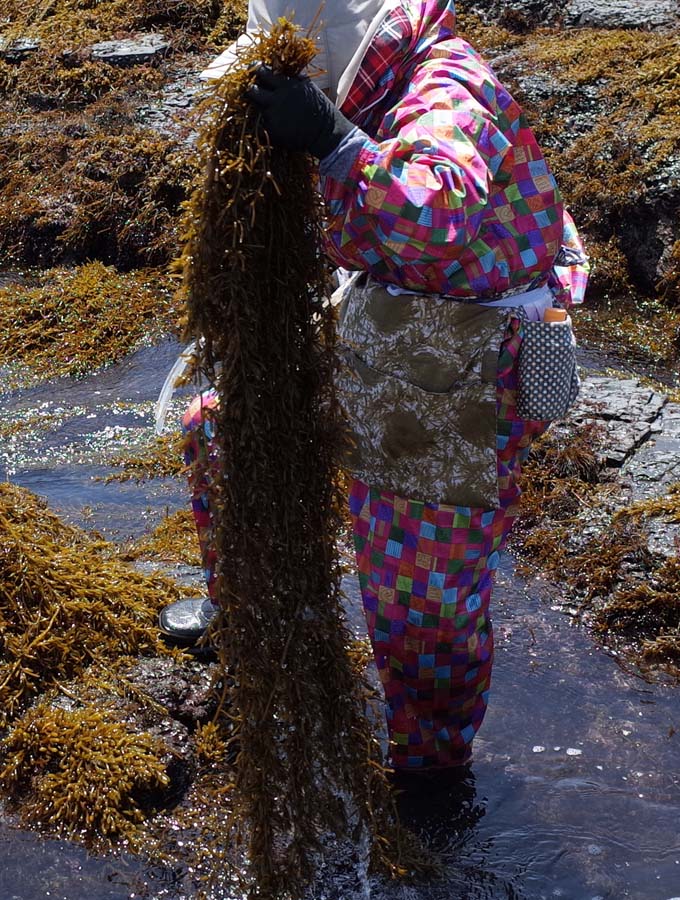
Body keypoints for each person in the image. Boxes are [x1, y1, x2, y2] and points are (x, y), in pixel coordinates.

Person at [159, 0, 588, 772]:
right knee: (222, 430)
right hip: (383, 320)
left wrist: (331, 139)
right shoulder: (388, 90)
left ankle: (430, 765)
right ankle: (249, 618)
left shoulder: (448, 86)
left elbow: (434, 210)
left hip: (465, 367)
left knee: (419, 593)